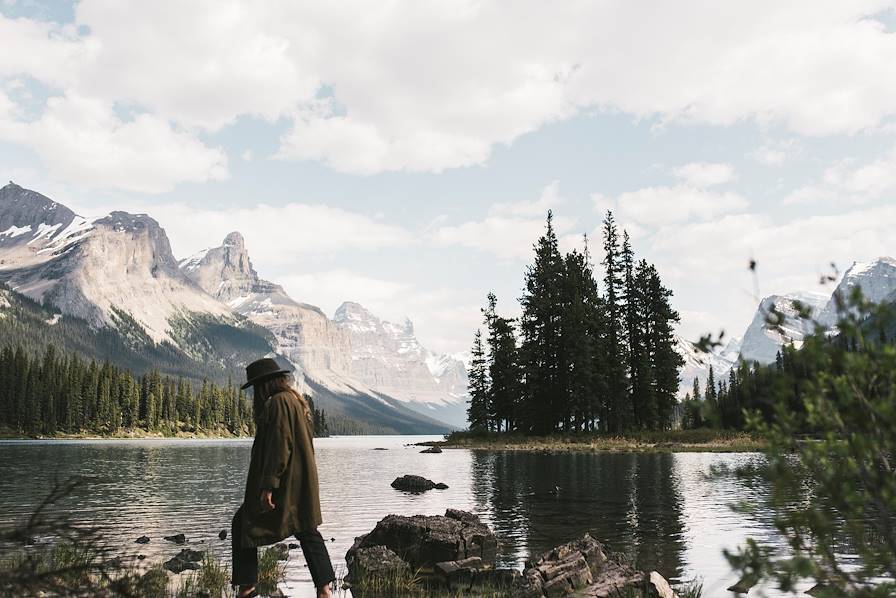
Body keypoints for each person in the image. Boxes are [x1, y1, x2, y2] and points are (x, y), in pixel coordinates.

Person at [231, 358, 335, 598]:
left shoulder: (276, 403)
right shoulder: (296, 401)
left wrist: (269, 486)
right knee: (307, 529)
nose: (256, 393)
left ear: (265, 384)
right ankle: (325, 588)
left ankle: (247, 587)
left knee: (243, 523)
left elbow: (280, 446)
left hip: (285, 483)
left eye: (257, 387)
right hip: (301, 481)